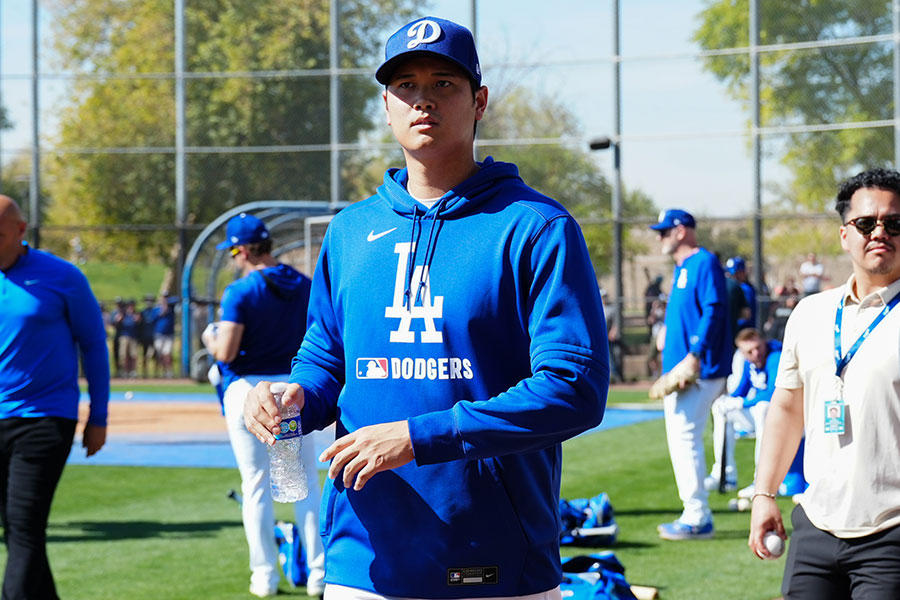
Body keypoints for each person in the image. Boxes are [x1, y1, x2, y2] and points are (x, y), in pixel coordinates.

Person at [243, 16, 609, 600]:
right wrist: (293, 397)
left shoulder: (535, 227)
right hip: (363, 561)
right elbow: (324, 360)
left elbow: (574, 388)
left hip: (492, 560)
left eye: (444, 83)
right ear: (386, 106)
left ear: (479, 101)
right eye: (406, 85)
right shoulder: (349, 231)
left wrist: (420, 437)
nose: (423, 100)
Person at [749, 167, 900, 598]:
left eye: (894, 223)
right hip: (815, 526)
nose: (880, 233)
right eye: (866, 223)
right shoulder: (811, 312)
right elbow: (787, 407)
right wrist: (764, 494)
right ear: (844, 235)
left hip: (892, 531)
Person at [201, 213, 324, 598]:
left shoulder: (241, 291)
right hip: (293, 390)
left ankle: (264, 577)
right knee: (304, 483)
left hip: (251, 392)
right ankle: (319, 575)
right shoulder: (305, 284)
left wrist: (210, 340)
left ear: (244, 250)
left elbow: (227, 350)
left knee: (256, 486)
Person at [0, 194, 109, 599]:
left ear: (21, 231)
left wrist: (98, 416)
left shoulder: (62, 277)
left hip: (45, 419)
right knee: (14, 531)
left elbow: (94, 346)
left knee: (25, 527)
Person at [648, 208, 731, 540]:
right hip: (686, 367)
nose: (659, 237)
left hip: (699, 369)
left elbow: (714, 309)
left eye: (664, 231)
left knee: (685, 438)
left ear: (681, 231)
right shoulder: (684, 268)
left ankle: (697, 517)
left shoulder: (703, 261)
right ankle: (695, 513)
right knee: (682, 438)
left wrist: (695, 355)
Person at [704, 328, 781, 497]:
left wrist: (741, 402)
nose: (756, 353)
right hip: (761, 418)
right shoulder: (749, 363)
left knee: (762, 409)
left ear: (763, 342)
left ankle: (760, 480)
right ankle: (725, 473)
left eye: (758, 347)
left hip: (783, 420)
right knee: (720, 407)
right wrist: (728, 399)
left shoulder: (776, 357)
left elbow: (772, 393)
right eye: (749, 351)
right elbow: (742, 389)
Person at [726, 256, 756, 331]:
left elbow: (746, 315)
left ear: (742, 273)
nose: (731, 275)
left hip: (744, 331)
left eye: (736, 273)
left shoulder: (745, 289)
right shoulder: (735, 287)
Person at [152, 294, 176, 378]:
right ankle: (162, 371)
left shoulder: (171, 308)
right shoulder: (156, 309)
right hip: (159, 335)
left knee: (167, 353)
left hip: (169, 335)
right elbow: (153, 318)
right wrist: (162, 310)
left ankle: (169, 371)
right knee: (160, 354)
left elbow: (176, 299)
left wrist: (168, 301)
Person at [139, 294, 158, 377]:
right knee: (144, 355)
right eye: (147, 300)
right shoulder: (142, 312)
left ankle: (155, 373)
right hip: (145, 337)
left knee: (156, 356)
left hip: (154, 337)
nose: (148, 302)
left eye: (150, 300)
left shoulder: (155, 311)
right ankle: (144, 372)